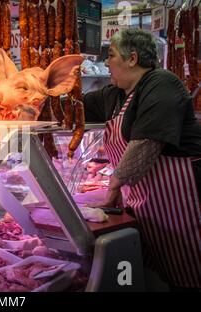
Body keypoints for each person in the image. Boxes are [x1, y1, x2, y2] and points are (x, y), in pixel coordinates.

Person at [83, 28, 201, 290]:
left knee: (191, 271)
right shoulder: (113, 95)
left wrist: (114, 186)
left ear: (132, 58)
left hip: (183, 202)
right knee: (161, 272)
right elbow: (73, 108)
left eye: (111, 55)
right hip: (148, 204)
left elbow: (146, 144)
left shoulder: (161, 83)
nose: (106, 62)